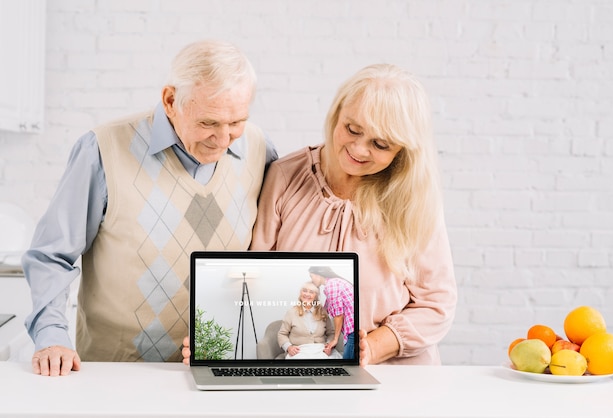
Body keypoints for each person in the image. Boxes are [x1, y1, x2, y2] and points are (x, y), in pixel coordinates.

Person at [21, 39, 277, 377]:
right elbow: (51, 254)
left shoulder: (259, 149)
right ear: (171, 101)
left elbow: (270, 258)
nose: (223, 138)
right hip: (114, 372)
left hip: (218, 371)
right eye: (208, 123)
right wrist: (52, 336)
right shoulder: (103, 149)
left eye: (236, 122)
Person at [182, 63, 456, 366]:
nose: (359, 150)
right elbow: (257, 280)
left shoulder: (414, 199)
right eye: (352, 129)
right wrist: (213, 345)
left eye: (380, 144)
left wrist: (372, 347)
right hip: (300, 360)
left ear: (402, 151)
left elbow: (436, 303)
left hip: (393, 372)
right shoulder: (285, 176)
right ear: (337, 113)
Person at [277, 281, 337, 359]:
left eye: (311, 292)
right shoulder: (291, 312)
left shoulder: (323, 312)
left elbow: (331, 333)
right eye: (304, 291)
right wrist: (289, 347)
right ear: (300, 293)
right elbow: (282, 334)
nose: (307, 294)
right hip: (299, 351)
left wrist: (329, 346)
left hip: (320, 350)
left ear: (316, 296)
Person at [307, 266, 355, 359]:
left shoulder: (331, 285)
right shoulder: (333, 284)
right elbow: (325, 310)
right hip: (352, 328)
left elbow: (338, 315)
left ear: (318, 275)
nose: (311, 280)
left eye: (311, 276)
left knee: (348, 365)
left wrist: (335, 339)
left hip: (352, 329)